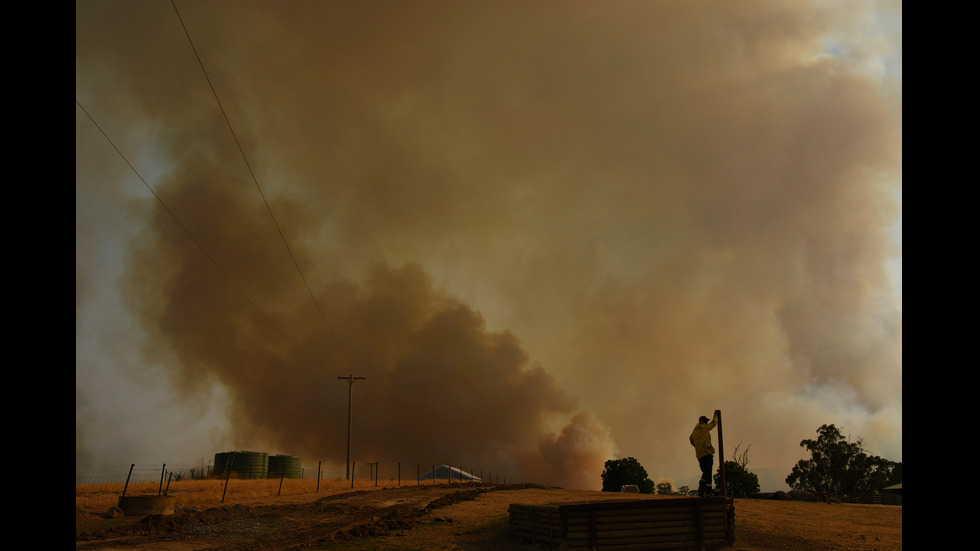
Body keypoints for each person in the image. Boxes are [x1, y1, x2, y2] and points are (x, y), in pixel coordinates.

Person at [690, 411, 718, 497]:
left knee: (705, 472)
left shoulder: (694, 432)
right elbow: (713, 423)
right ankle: (708, 491)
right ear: (702, 421)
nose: (706, 423)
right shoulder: (703, 428)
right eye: (705, 421)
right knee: (708, 472)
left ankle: (701, 488)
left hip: (699, 455)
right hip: (706, 453)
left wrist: (697, 446)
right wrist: (716, 415)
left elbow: (691, 440)